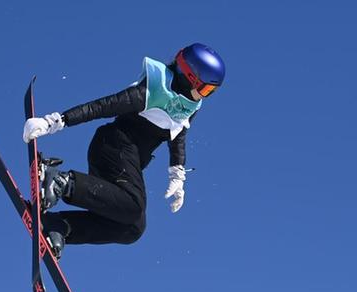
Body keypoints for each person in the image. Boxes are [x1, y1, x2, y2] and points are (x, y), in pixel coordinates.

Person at [22, 43, 225, 258]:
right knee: (134, 206)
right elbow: (102, 106)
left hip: (126, 161)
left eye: (211, 92)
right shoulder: (151, 92)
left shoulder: (187, 107)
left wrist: (177, 175)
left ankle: (60, 226)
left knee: (133, 228)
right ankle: (61, 182)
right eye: (205, 89)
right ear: (189, 76)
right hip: (113, 147)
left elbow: (178, 135)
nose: (205, 96)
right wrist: (55, 121)